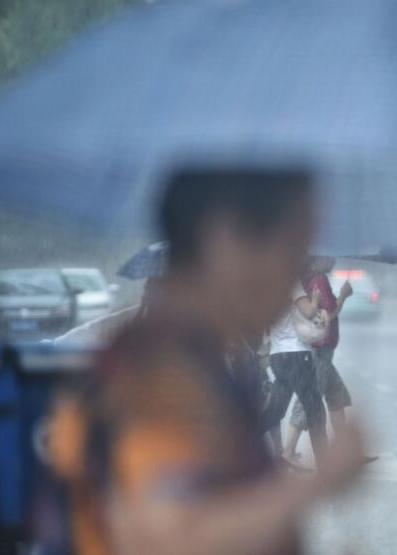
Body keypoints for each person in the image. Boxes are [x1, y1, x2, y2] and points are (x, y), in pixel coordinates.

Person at [46, 167, 366, 555]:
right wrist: (320, 482)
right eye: (293, 251)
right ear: (226, 239)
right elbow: (165, 538)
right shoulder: (159, 371)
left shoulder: (195, 355)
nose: (293, 280)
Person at [284, 256, 354, 462]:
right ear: (315, 261)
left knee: (337, 396)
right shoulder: (319, 280)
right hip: (320, 351)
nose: (332, 260)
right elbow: (325, 317)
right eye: (327, 257)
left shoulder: (315, 279)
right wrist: (343, 297)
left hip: (324, 352)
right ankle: (288, 450)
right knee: (309, 399)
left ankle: (343, 449)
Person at [261, 275, 332, 466]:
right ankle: (325, 465)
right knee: (315, 410)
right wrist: (315, 299)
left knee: (274, 411)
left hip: (278, 356)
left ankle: (241, 445)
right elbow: (309, 312)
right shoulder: (290, 282)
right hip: (298, 355)